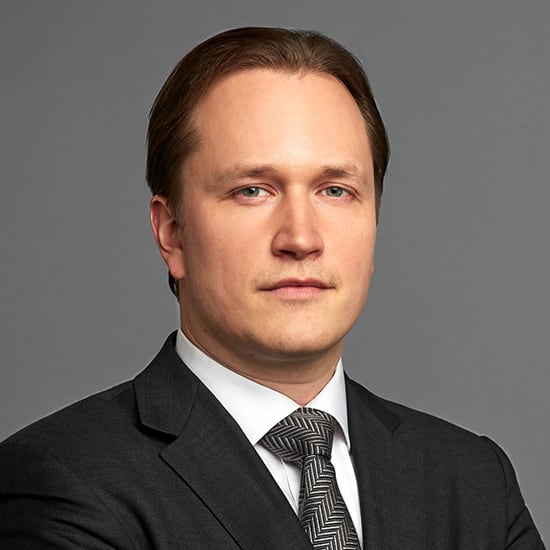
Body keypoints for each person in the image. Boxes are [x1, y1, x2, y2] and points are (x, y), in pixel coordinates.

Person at [0, 26, 544, 549]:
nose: (301, 239)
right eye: (253, 190)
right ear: (172, 233)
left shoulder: (473, 480)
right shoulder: (62, 480)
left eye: (335, 190)